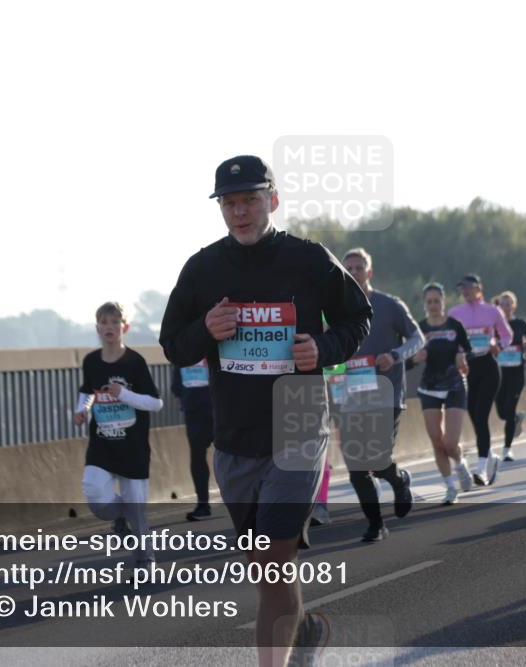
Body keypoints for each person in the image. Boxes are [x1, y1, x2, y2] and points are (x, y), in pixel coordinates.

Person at [159, 155, 371, 667]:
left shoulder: (309, 258)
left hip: (298, 422)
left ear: (272, 200)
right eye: (229, 203)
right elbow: (173, 344)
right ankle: (306, 629)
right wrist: (205, 329)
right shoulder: (203, 268)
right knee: (264, 568)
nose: (240, 212)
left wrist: (322, 348)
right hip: (233, 437)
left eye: (250, 200)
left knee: (274, 561)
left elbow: (357, 316)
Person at [338, 248, 424, 540]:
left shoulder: (390, 305)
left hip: (386, 395)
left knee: (374, 458)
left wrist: (395, 355)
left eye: (358, 268)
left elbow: (418, 338)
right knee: (355, 468)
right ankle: (376, 524)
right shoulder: (336, 311)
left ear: (369, 272)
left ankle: (399, 480)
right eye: (347, 268)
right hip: (351, 399)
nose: (353, 273)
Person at [73, 302, 164, 566]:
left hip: (133, 447)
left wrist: (123, 394)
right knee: (94, 492)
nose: (109, 327)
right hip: (102, 444)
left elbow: (155, 403)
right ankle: (121, 513)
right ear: (97, 327)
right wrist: (81, 410)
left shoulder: (135, 362)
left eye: (115, 323)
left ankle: (144, 561)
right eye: (104, 322)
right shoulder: (91, 361)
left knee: (137, 513)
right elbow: (87, 391)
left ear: (125, 327)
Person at [408, 282, 472, 505]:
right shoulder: (419, 329)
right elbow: (405, 361)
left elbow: (470, 351)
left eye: (437, 301)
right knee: (437, 440)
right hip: (429, 387)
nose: (433, 305)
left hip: (454, 384)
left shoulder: (455, 326)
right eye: (429, 302)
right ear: (424, 304)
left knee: (450, 443)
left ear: (443, 302)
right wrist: (413, 360)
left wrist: (463, 357)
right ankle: (450, 487)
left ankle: (461, 464)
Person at [449, 274, 513, 486]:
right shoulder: (455, 313)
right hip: (467, 369)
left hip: (488, 366)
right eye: (462, 288)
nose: (465, 292)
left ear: (479, 288)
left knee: (481, 415)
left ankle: (481, 467)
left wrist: (499, 346)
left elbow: (507, 334)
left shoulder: (492, 311)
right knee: (475, 417)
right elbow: (450, 339)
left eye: (468, 288)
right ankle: (490, 456)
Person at [493, 291, 526, 461]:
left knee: (509, 409)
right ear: (499, 306)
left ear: (514, 306)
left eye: (509, 303)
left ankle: (507, 448)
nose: (506, 307)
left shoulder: (520, 324)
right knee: (502, 413)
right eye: (503, 303)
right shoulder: (495, 324)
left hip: (517, 372)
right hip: (498, 373)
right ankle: (517, 418)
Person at [170, 359, 214, 521]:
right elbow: (176, 386)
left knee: (230, 456)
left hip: (220, 409)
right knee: (197, 457)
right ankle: (203, 504)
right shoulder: (183, 352)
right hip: (194, 411)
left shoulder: (216, 347)